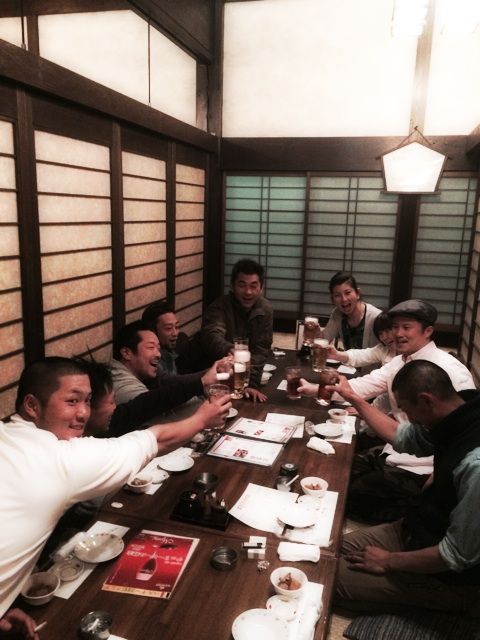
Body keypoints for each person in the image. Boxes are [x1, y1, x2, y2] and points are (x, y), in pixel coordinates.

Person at [0, 357, 230, 614]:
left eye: (88, 401)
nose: (84, 413)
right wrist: (201, 419)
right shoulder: (58, 458)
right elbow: (155, 441)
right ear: (32, 405)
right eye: (72, 401)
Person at [300, 299, 475, 522]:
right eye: (395, 327)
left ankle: (412, 516)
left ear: (428, 331)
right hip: (396, 447)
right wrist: (314, 389)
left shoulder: (451, 370)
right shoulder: (400, 361)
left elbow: (468, 432)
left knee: (347, 496)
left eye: (406, 327)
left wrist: (440, 478)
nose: (398, 334)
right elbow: (363, 386)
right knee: (336, 471)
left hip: (423, 467)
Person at [335, 360, 480, 617]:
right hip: (417, 530)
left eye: (405, 408)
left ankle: (451, 609)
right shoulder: (460, 409)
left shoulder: (475, 465)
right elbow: (405, 437)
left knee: (330, 580)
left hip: (452, 575)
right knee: (327, 550)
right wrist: (354, 398)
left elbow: (456, 554)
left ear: (426, 400)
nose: (406, 417)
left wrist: (389, 561)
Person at [200, 258, 273, 402]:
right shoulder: (219, 307)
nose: (248, 292)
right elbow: (212, 336)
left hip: (241, 382)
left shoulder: (265, 309)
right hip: (215, 380)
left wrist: (250, 384)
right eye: (242, 285)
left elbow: (261, 349)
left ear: (261, 288)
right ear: (232, 286)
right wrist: (230, 349)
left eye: (253, 286)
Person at [142, 300, 204, 375]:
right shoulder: (152, 360)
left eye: (177, 326)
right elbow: (167, 380)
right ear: (152, 331)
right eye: (168, 328)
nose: (175, 333)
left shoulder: (173, 349)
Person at [323, 272, 381, 350]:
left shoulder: (376, 317)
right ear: (332, 300)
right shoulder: (337, 314)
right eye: (337, 295)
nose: (344, 299)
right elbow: (324, 340)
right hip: (347, 358)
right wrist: (314, 333)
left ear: (358, 293)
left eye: (348, 293)